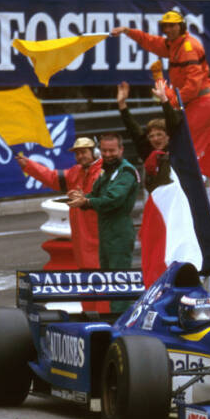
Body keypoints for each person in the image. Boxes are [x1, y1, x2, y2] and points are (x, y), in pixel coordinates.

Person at [110, 9, 210, 156]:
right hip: (203, 103)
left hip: (200, 104)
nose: (168, 30)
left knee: (188, 150)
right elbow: (150, 41)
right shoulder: (175, 44)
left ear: (181, 26)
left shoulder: (187, 48)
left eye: (172, 26)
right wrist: (127, 31)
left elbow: (192, 86)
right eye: (165, 26)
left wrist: (172, 102)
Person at [67, 132, 140, 314]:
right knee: (108, 280)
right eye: (105, 151)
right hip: (106, 232)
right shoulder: (107, 172)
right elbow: (96, 194)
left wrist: (87, 202)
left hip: (119, 232)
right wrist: (83, 197)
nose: (108, 154)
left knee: (119, 281)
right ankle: (112, 318)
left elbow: (112, 199)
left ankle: (120, 320)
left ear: (121, 150)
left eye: (112, 151)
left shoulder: (126, 171)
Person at [16, 137, 102, 269]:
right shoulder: (76, 172)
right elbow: (52, 177)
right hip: (80, 231)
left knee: (98, 270)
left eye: (83, 152)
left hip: (98, 230)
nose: (80, 156)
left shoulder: (103, 172)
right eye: (77, 153)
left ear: (95, 152)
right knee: (85, 270)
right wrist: (29, 165)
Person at [115, 80, 180, 164]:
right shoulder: (147, 153)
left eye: (159, 134)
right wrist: (121, 103)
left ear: (168, 136)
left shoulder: (177, 149)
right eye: (151, 136)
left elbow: (173, 122)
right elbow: (133, 128)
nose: (155, 139)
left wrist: (164, 99)